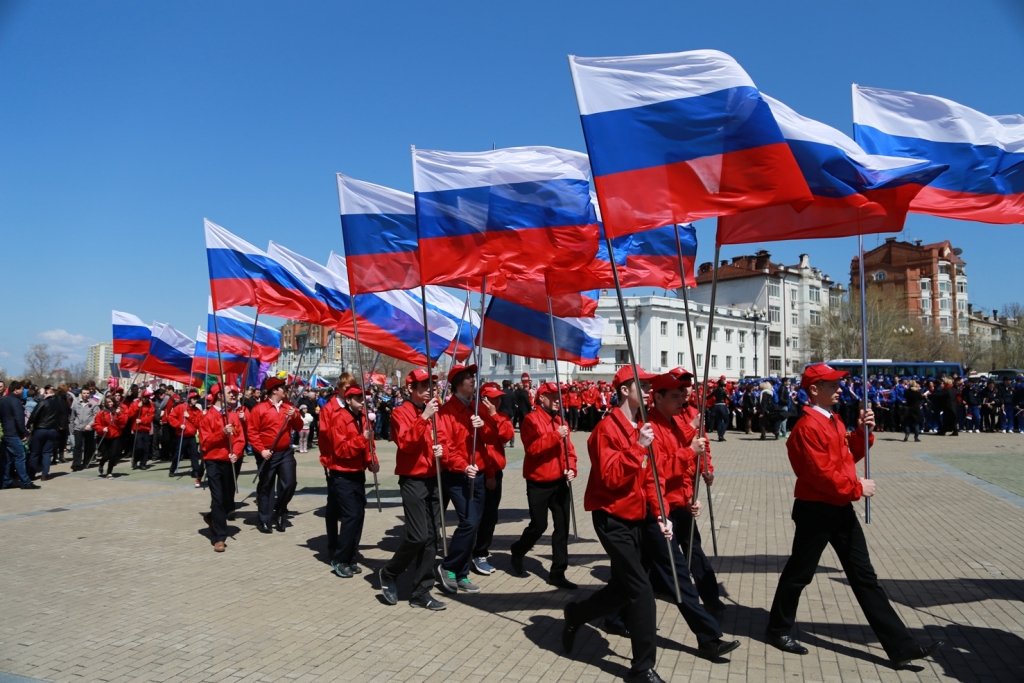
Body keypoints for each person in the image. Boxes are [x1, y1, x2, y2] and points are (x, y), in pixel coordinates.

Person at [766, 363, 944, 668]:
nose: (839, 389)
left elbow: (847, 454)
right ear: (814, 390)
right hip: (816, 510)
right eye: (832, 385)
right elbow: (821, 475)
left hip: (839, 508)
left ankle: (901, 646)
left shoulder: (831, 419)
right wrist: (856, 487)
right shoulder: (807, 427)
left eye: (838, 384)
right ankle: (778, 629)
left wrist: (864, 432)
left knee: (864, 577)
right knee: (800, 573)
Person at [562, 366, 679, 683]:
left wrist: (662, 513)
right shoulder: (606, 429)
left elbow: (653, 477)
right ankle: (642, 669)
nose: (647, 391)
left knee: (622, 590)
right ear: (625, 389)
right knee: (642, 590)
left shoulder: (643, 426)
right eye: (641, 385)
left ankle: (577, 614)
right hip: (611, 517)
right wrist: (638, 447)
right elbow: (612, 478)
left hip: (638, 517)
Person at [640, 367, 738, 657]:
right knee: (678, 575)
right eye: (675, 394)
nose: (683, 398)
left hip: (676, 503)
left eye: (685, 392)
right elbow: (657, 472)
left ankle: (612, 615)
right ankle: (708, 637)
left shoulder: (674, 421)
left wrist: (690, 493)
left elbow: (688, 463)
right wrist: (689, 452)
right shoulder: (651, 427)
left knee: (639, 575)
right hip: (658, 509)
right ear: (656, 397)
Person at [434, 364, 505, 595]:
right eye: (467, 378)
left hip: (479, 473)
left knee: (473, 525)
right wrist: (462, 466)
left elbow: (494, 440)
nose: (473, 381)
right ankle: (448, 567)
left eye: (473, 377)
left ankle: (461, 573)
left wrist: (485, 424)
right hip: (458, 475)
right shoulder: (445, 412)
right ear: (456, 384)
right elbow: (445, 446)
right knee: (469, 522)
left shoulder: (477, 408)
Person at [378, 369, 446, 610]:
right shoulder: (400, 412)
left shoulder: (434, 412)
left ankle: (421, 591)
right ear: (411, 389)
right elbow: (406, 443)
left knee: (432, 538)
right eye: (422, 386)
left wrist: (442, 451)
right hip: (413, 479)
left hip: (433, 477)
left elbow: (443, 438)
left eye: (431, 385)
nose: (428, 389)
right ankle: (389, 572)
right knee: (418, 536)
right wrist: (424, 418)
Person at [510, 382, 578, 588]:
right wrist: (557, 434)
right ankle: (519, 550)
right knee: (539, 525)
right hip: (539, 482)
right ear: (541, 398)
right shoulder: (530, 420)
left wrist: (571, 469)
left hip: (559, 482)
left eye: (560, 396)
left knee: (562, 527)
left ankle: (558, 572)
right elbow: (533, 449)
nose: (558, 399)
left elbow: (570, 451)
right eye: (553, 396)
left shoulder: (561, 421)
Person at [319, 384, 379, 577]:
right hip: (341, 473)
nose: (362, 402)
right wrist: (362, 439)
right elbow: (341, 450)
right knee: (351, 515)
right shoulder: (339, 418)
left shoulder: (363, 419)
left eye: (364, 398)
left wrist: (372, 462)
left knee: (359, 515)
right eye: (358, 398)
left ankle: (351, 557)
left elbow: (370, 446)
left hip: (357, 473)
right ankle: (339, 558)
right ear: (348, 400)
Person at [249, 377, 304, 533]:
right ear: (274, 391)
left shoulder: (289, 407)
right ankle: (264, 519)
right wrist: (261, 450)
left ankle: (280, 511)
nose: (285, 391)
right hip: (267, 453)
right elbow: (252, 432)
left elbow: (299, 427)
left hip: (285, 452)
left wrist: (296, 416)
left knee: (290, 483)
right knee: (266, 486)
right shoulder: (259, 409)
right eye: (282, 388)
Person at [470, 382, 515, 576]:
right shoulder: (475, 417)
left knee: (490, 515)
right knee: (476, 516)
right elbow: (484, 449)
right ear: (483, 398)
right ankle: (474, 551)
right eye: (492, 397)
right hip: (478, 472)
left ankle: (480, 552)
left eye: (498, 397)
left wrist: (495, 416)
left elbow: (506, 435)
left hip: (495, 472)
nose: (496, 401)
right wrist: (488, 475)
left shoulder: (501, 416)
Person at [198, 384, 246, 552]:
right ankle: (220, 537)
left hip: (229, 461)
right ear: (219, 396)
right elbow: (205, 444)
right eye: (229, 393)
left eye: (234, 392)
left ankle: (212, 517)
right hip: (213, 462)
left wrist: (237, 453)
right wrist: (221, 434)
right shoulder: (207, 417)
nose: (234, 395)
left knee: (227, 501)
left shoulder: (232, 416)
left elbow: (240, 438)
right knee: (217, 499)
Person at [1, 380, 38, 489]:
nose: (23, 391)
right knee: (20, 456)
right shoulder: (15, 401)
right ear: (16, 390)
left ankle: (6, 480)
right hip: (14, 432)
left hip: (6, 431)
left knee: (7, 458)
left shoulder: (4, 400)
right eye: (21, 389)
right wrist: (23, 433)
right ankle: (25, 481)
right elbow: (19, 419)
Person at [167, 392, 203, 485]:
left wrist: (189, 416)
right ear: (190, 399)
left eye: (197, 399)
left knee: (194, 454)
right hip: (181, 435)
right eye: (194, 398)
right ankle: (172, 470)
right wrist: (179, 425)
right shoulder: (180, 407)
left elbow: (198, 423)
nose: (196, 400)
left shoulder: (197, 411)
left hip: (191, 436)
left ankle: (195, 471)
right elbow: (171, 417)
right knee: (178, 454)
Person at [27, 385, 62, 481]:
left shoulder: (43, 402)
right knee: (47, 453)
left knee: (35, 453)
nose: (44, 394)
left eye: (46, 393)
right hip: (52, 429)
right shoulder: (59, 404)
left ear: (51, 393)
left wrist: (28, 425)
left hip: (40, 429)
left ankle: (31, 474)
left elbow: (34, 415)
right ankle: (44, 474)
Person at [93, 395, 127, 479]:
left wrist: (119, 415)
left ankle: (109, 472)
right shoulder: (101, 413)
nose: (109, 404)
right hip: (104, 436)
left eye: (111, 401)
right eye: (107, 402)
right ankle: (101, 464)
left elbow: (123, 424)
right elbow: (96, 424)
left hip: (116, 435)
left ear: (114, 402)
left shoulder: (118, 411)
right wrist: (102, 429)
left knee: (113, 455)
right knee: (106, 456)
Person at [70, 387, 99, 471]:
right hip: (78, 427)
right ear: (81, 394)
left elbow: (96, 416)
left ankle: (86, 462)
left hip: (88, 428)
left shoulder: (93, 403)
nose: (86, 395)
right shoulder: (76, 403)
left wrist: (90, 425)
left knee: (88, 446)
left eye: (87, 393)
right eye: (84, 393)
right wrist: (72, 429)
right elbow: (72, 416)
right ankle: (76, 464)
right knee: (77, 446)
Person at [127, 390, 156, 469]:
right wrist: (137, 407)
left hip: (146, 429)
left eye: (147, 397)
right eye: (144, 397)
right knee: (139, 447)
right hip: (137, 429)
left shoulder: (151, 405)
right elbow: (130, 414)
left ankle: (143, 463)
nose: (146, 399)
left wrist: (142, 421)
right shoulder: (135, 404)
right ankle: (135, 460)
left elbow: (150, 417)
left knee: (146, 448)